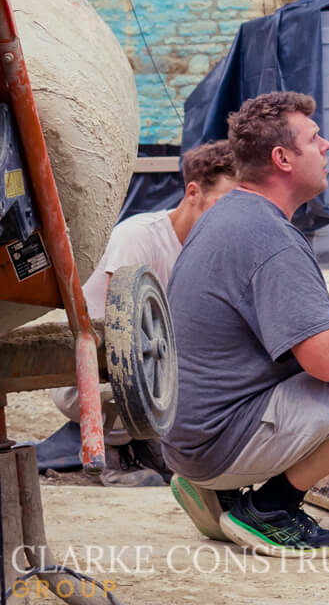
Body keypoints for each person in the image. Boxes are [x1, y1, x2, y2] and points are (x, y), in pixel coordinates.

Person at [162, 91, 329, 556]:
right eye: (314, 139)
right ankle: (271, 509)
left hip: (186, 437)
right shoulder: (271, 238)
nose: (326, 147)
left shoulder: (227, 216)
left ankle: (215, 493)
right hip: (219, 442)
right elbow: (327, 360)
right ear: (282, 158)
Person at [46, 141, 236, 485]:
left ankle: (144, 445)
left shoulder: (211, 251)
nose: (228, 219)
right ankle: (113, 458)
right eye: (223, 205)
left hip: (152, 378)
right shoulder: (138, 236)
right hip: (90, 377)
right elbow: (121, 333)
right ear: (193, 192)